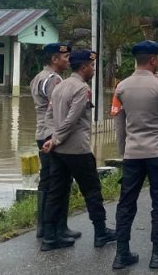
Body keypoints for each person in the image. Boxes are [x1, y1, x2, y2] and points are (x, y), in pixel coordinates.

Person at [111, 41, 158, 270]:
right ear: (153, 60)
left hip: (132, 154)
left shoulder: (121, 87)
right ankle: (157, 252)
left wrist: (123, 150)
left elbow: (119, 123)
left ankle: (122, 254)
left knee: (126, 203)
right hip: (157, 153)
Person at [41, 49, 116, 251]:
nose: (93, 69)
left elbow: (48, 117)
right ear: (84, 67)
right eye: (91, 66)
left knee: (56, 192)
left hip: (58, 151)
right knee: (92, 191)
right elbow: (72, 120)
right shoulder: (81, 89)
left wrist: (51, 138)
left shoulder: (60, 86)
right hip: (77, 150)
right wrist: (55, 139)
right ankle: (100, 232)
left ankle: (49, 237)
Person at [29, 41, 73, 240]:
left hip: (41, 132)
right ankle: (57, 227)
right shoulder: (54, 80)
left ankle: (44, 227)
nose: (68, 60)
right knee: (59, 182)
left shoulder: (39, 77)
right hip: (51, 134)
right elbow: (58, 109)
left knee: (46, 180)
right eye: (65, 57)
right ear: (55, 59)